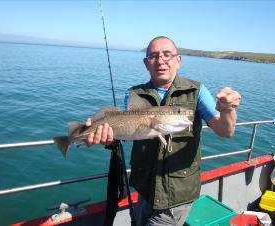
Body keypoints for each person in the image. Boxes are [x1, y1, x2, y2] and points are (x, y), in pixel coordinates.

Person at [86, 36, 241, 226]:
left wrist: (227, 109)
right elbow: (128, 132)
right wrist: (107, 138)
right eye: (153, 56)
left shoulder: (196, 91)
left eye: (167, 54)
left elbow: (226, 131)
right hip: (144, 187)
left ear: (178, 60)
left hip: (176, 194)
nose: (161, 60)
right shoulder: (134, 93)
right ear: (146, 63)